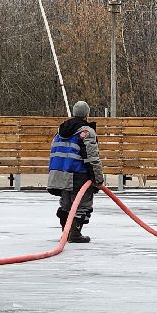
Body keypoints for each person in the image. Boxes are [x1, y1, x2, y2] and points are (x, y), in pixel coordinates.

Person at [47, 100, 105, 243]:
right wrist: (98, 179)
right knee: (83, 204)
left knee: (66, 204)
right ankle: (74, 234)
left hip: (60, 173)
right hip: (78, 174)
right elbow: (92, 158)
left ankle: (65, 233)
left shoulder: (60, 131)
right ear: (87, 115)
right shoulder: (87, 132)